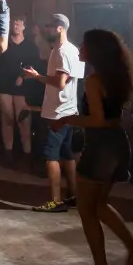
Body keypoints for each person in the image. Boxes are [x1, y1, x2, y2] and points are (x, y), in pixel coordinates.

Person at [54, 29, 133, 265]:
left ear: (95, 51)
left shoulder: (94, 80)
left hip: (101, 147)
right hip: (118, 143)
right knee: (100, 204)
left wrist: (67, 119)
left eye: (84, 45)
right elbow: (111, 118)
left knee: (86, 209)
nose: (80, 48)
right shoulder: (117, 76)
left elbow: (97, 120)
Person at [24, 14, 84, 213]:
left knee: (51, 156)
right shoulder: (73, 50)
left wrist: (38, 77)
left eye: (49, 27)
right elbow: (73, 80)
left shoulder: (61, 51)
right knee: (67, 154)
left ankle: (56, 201)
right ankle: (74, 195)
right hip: (69, 109)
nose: (46, 30)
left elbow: (60, 83)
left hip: (57, 112)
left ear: (59, 28)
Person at [0, 17, 37, 159]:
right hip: (4, 85)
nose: (15, 25)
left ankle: (27, 153)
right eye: (13, 23)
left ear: (24, 26)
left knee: (23, 120)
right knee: (7, 119)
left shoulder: (30, 46)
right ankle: (8, 151)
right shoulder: (4, 44)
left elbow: (33, 66)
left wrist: (22, 76)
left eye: (18, 23)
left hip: (22, 87)